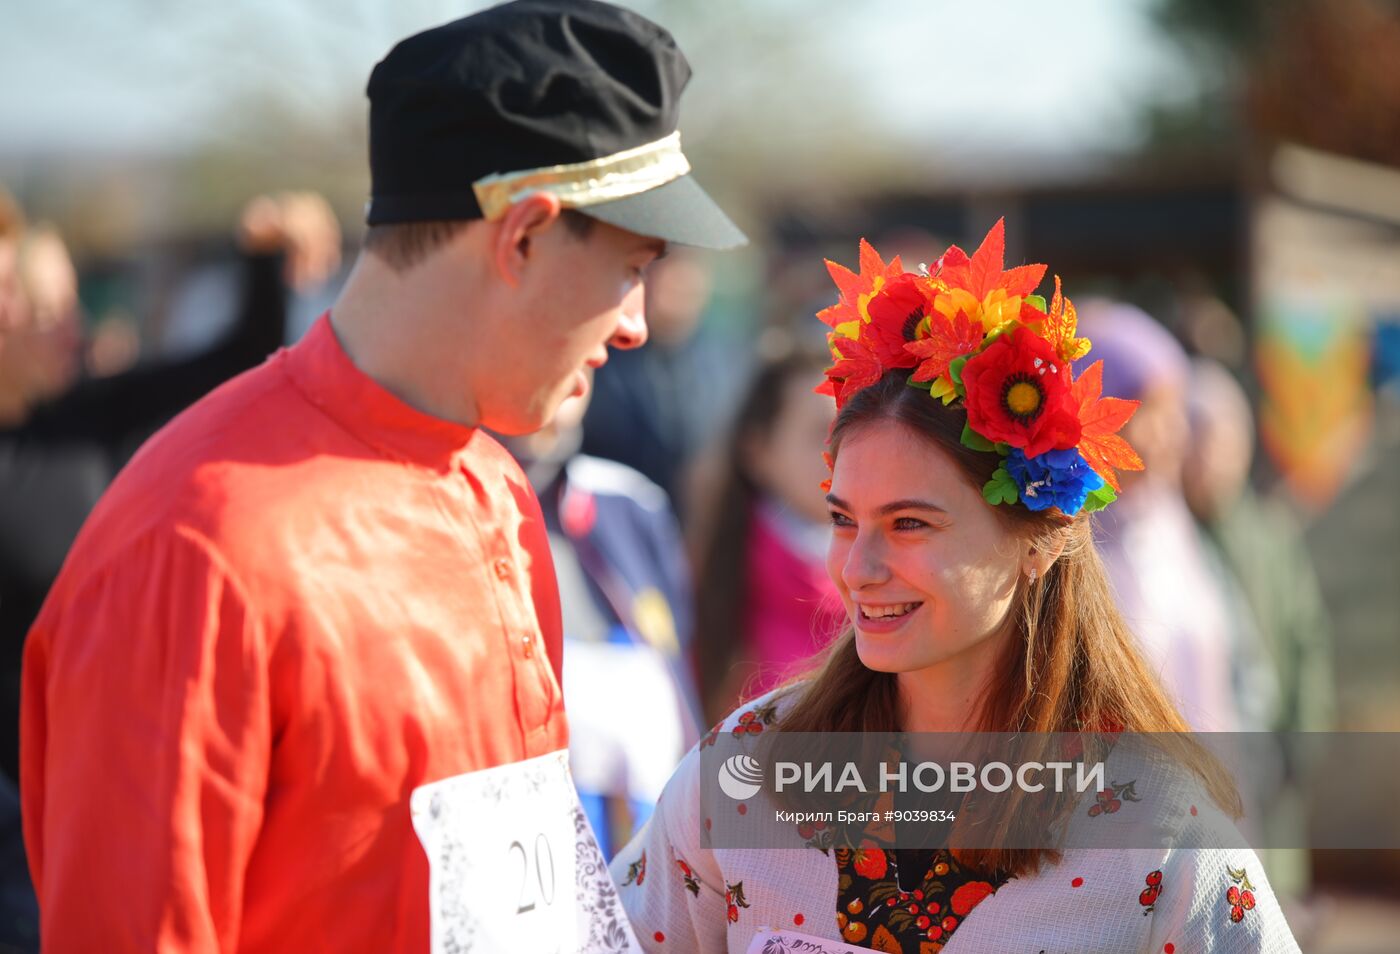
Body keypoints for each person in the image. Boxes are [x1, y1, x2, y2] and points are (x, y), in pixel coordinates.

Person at [21, 1, 744, 951]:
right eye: (631, 267)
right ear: (521, 236)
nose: (636, 322)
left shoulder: (496, 489)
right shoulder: (196, 548)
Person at [611, 222, 1300, 952]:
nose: (858, 567)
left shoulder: (1159, 836)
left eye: (910, 524)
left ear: (1041, 540)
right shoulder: (740, 780)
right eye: (843, 520)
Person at [500, 358, 702, 859]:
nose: (586, 356)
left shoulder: (629, 502)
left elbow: (679, 674)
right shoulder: (444, 501)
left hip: (649, 845)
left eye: (593, 344)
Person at [690, 343, 843, 722]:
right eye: (820, 435)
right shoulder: (715, 584)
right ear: (757, 451)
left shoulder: (895, 584)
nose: (843, 453)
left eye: (852, 431)